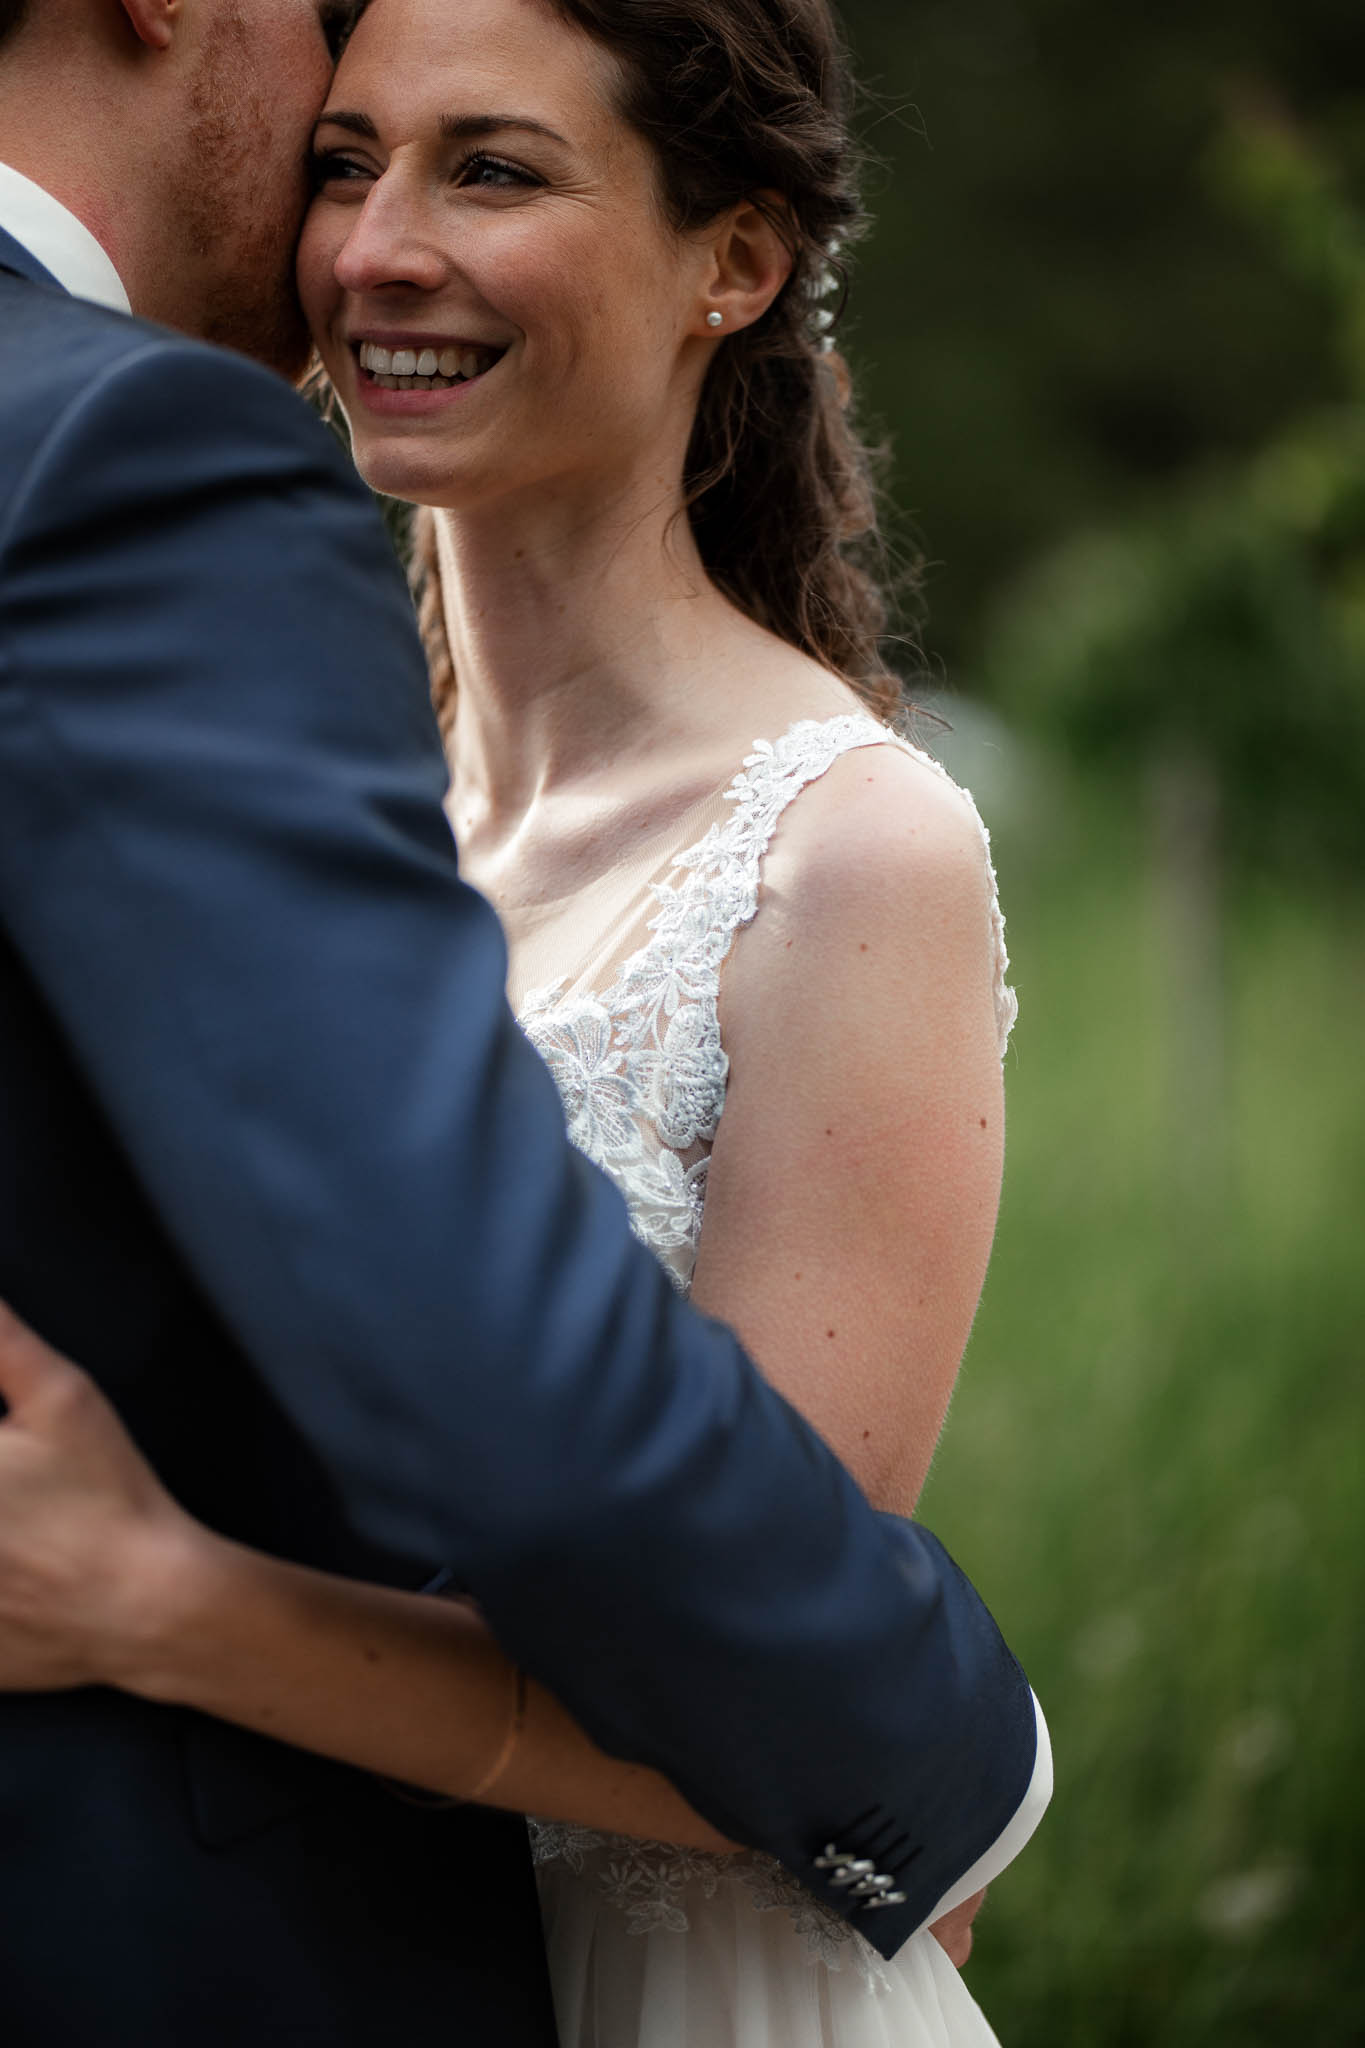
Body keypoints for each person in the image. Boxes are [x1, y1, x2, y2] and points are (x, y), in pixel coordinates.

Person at [0, 0, 1049, 2044]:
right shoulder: (229, 786)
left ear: (729, 264)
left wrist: (170, 1611)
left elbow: (724, 1675)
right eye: (341, 161)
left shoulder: (847, 853)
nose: (375, 246)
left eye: (490, 170)